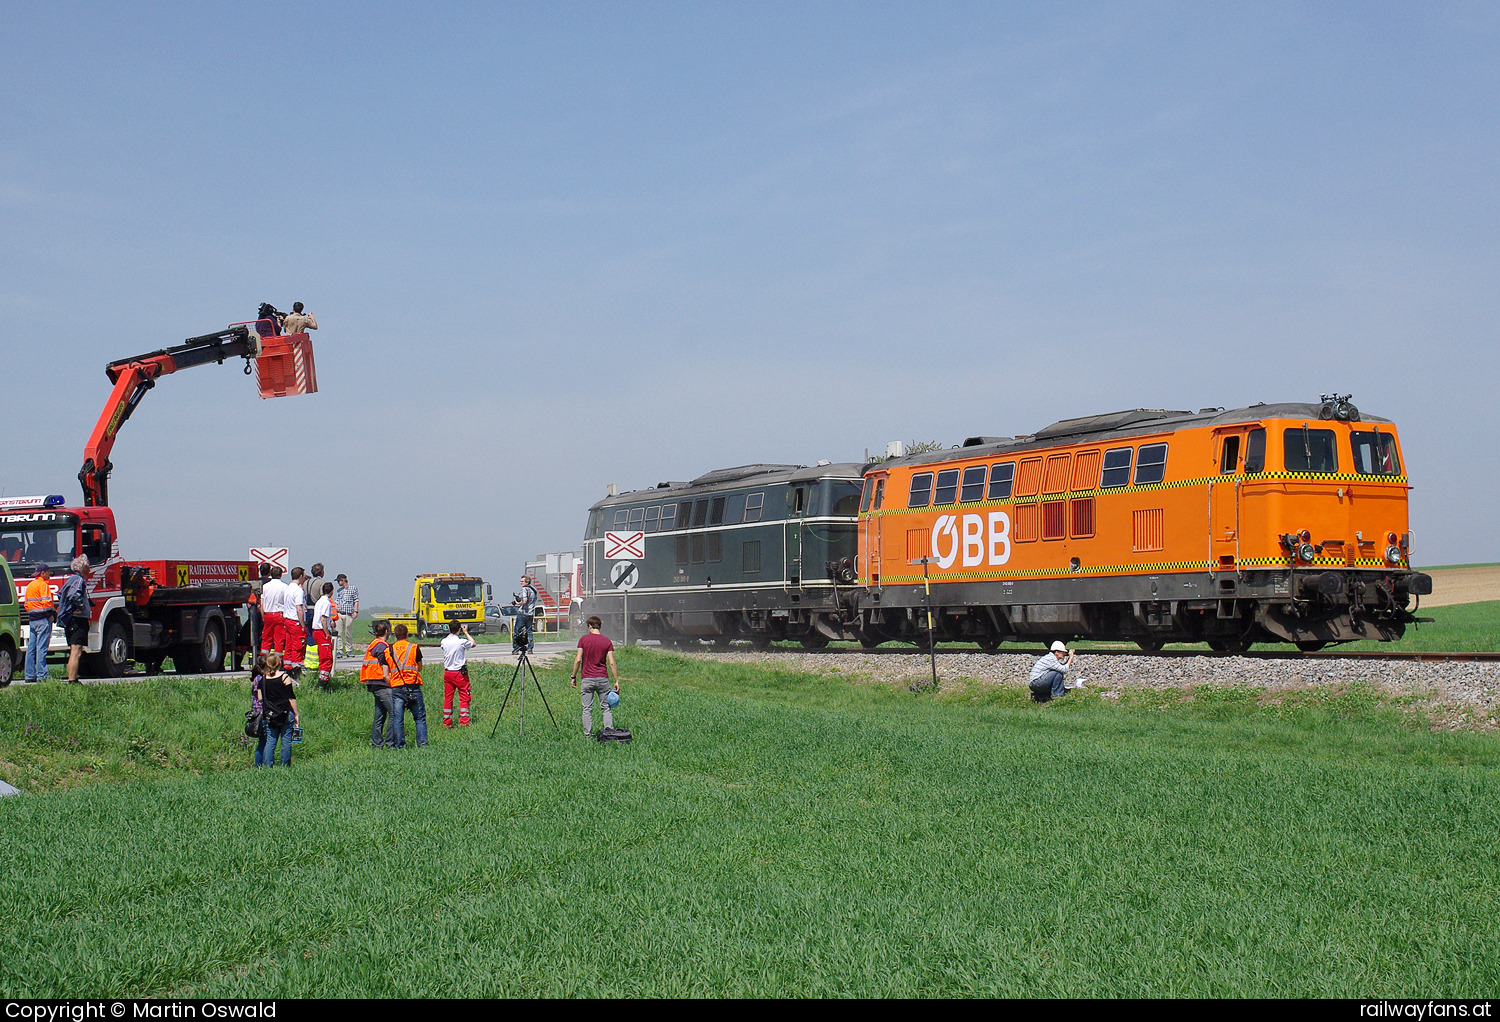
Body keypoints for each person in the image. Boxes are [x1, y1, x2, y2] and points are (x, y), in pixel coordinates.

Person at [571, 615, 621, 737]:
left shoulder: (583, 640)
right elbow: (612, 662)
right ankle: (609, 732)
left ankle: (588, 734)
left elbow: (578, 660)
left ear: (589, 626)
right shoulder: (606, 641)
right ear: (599, 626)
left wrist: (573, 676)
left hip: (587, 679)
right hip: (602, 678)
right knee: (606, 707)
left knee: (587, 708)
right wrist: (616, 680)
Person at [254, 652, 299, 767]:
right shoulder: (284, 677)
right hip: (284, 712)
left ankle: (268, 766)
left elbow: (259, 697)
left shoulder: (263, 679)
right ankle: (285, 765)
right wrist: (296, 714)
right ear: (279, 664)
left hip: (270, 714)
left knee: (270, 741)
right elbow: (291, 698)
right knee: (286, 741)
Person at [360, 621, 399, 748]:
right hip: (380, 682)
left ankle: (376, 743)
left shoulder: (375, 643)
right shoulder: (382, 646)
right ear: (386, 631)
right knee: (394, 712)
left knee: (380, 714)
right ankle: (390, 743)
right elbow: (384, 666)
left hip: (373, 682)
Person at [388, 624, 427, 748]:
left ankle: (399, 745)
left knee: (397, 719)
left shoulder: (389, 649)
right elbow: (419, 668)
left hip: (397, 687)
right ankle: (422, 744)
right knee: (419, 718)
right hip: (413, 686)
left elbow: (386, 669)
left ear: (395, 635)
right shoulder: (414, 648)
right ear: (407, 634)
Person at [56, 556, 90, 684]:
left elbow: (61, 594)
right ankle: (72, 680)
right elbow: (74, 595)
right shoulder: (78, 580)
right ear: (83, 568)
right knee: (76, 650)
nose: (89, 569)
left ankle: (74, 678)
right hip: (77, 620)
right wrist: (80, 607)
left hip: (71, 620)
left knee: (76, 650)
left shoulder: (70, 579)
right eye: (88, 567)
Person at [440, 621, 477, 728]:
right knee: (464, 696)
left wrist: (451, 632)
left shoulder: (444, 641)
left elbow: (446, 641)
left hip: (447, 673)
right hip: (459, 673)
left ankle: (447, 722)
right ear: (459, 629)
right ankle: (464, 721)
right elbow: (473, 643)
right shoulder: (461, 642)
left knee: (448, 697)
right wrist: (466, 632)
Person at [23, 564, 56, 683]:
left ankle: (29, 675)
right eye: (48, 572)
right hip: (43, 620)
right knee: (41, 648)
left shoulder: (30, 585)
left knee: (31, 648)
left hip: (32, 620)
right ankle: (42, 675)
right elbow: (47, 602)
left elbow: (26, 604)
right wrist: (51, 615)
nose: (49, 575)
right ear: (43, 573)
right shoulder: (43, 585)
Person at [310, 581, 337, 688]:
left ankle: (323, 679)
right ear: (331, 591)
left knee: (323, 656)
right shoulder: (326, 602)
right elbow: (323, 619)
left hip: (316, 631)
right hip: (321, 631)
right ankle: (322, 683)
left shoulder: (319, 601)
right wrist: (327, 633)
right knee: (327, 658)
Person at [283, 567, 308, 675]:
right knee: (298, 646)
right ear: (301, 576)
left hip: (287, 620)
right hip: (295, 621)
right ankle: (296, 669)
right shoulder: (298, 590)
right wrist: (302, 624)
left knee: (289, 645)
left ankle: (287, 668)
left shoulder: (288, 588)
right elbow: (299, 608)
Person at [260, 566, 288, 656]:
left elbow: (262, 603)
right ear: (281, 575)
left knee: (266, 639)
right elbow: (286, 603)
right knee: (279, 640)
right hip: (279, 614)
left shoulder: (265, 587)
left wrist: (263, 616)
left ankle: (263, 660)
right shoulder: (284, 587)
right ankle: (277, 662)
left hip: (267, 614)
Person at [334, 573, 360, 659]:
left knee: (348, 633)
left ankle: (349, 649)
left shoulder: (353, 589)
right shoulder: (339, 591)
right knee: (339, 633)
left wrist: (356, 611)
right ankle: (339, 650)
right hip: (339, 613)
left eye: (339, 581)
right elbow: (337, 602)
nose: (338, 583)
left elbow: (356, 600)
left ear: (343, 580)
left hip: (348, 613)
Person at [513, 575, 539, 654]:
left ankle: (516, 648)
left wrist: (517, 603)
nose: (521, 583)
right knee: (529, 631)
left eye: (522, 581)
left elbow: (524, 601)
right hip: (530, 613)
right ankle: (530, 648)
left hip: (523, 612)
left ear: (527, 582)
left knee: (517, 631)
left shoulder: (524, 589)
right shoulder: (533, 589)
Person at [301, 563, 325, 631]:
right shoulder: (321, 582)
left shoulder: (306, 582)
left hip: (307, 610)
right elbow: (323, 598)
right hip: (316, 610)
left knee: (309, 632)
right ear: (322, 573)